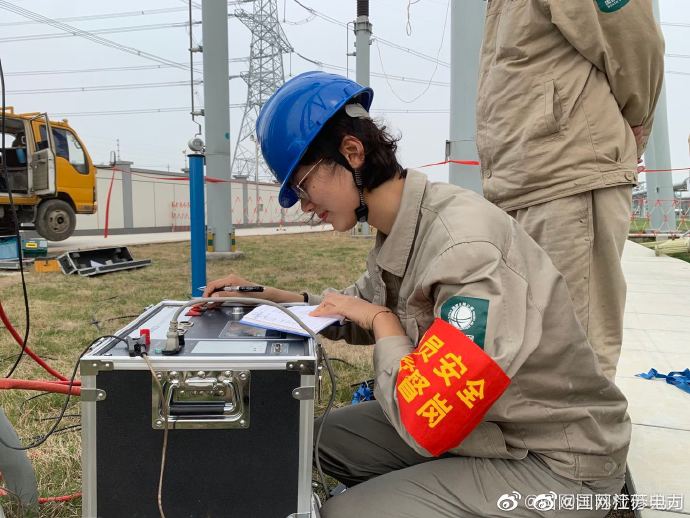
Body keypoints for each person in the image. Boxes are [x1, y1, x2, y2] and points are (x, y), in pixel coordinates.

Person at [203, 71, 631, 517]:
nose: (304, 204)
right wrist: (276, 298)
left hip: (555, 461)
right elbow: (357, 305)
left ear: (352, 152)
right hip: (487, 426)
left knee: (342, 515)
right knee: (310, 439)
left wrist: (383, 323)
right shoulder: (406, 223)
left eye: (302, 183)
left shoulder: (464, 248)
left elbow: (427, 416)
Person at [476, 0, 665, 379]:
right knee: (539, 352)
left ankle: (584, 421)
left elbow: (633, 39)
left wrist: (634, 124)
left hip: (568, 173)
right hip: (527, 178)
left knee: (574, 353)